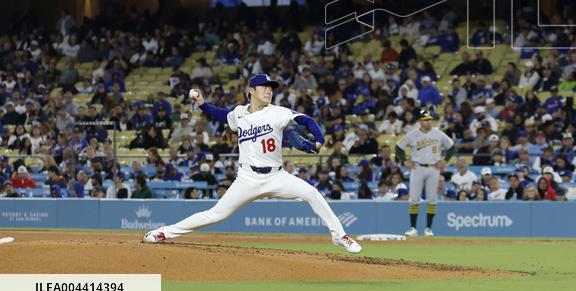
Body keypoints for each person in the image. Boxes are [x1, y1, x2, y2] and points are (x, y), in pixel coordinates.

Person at [141, 75, 361, 254]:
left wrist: (319, 140)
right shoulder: (238, 114)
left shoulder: (278, 112)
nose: (268, 91)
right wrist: (202, 104)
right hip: (247, 178)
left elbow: (307, 121)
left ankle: (339, 236)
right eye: (263, 87)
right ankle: (164, 232)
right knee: (216, 214)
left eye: (271, 88)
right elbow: (221, 114)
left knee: (312, 193)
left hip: (277, 176)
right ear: (251, 91)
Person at [396, 108, 455, 237]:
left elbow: (451, 147)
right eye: (425, 120)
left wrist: (445, 161)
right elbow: (398, 148)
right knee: (414, 198)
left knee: (432, 199)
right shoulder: (412, 135)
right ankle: (413, 228)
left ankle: (428, 228)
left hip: (434, 168)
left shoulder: (438, 133)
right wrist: (405, 161)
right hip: (417, 168)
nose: (428, 122)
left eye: (429, 120)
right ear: (420, 121)